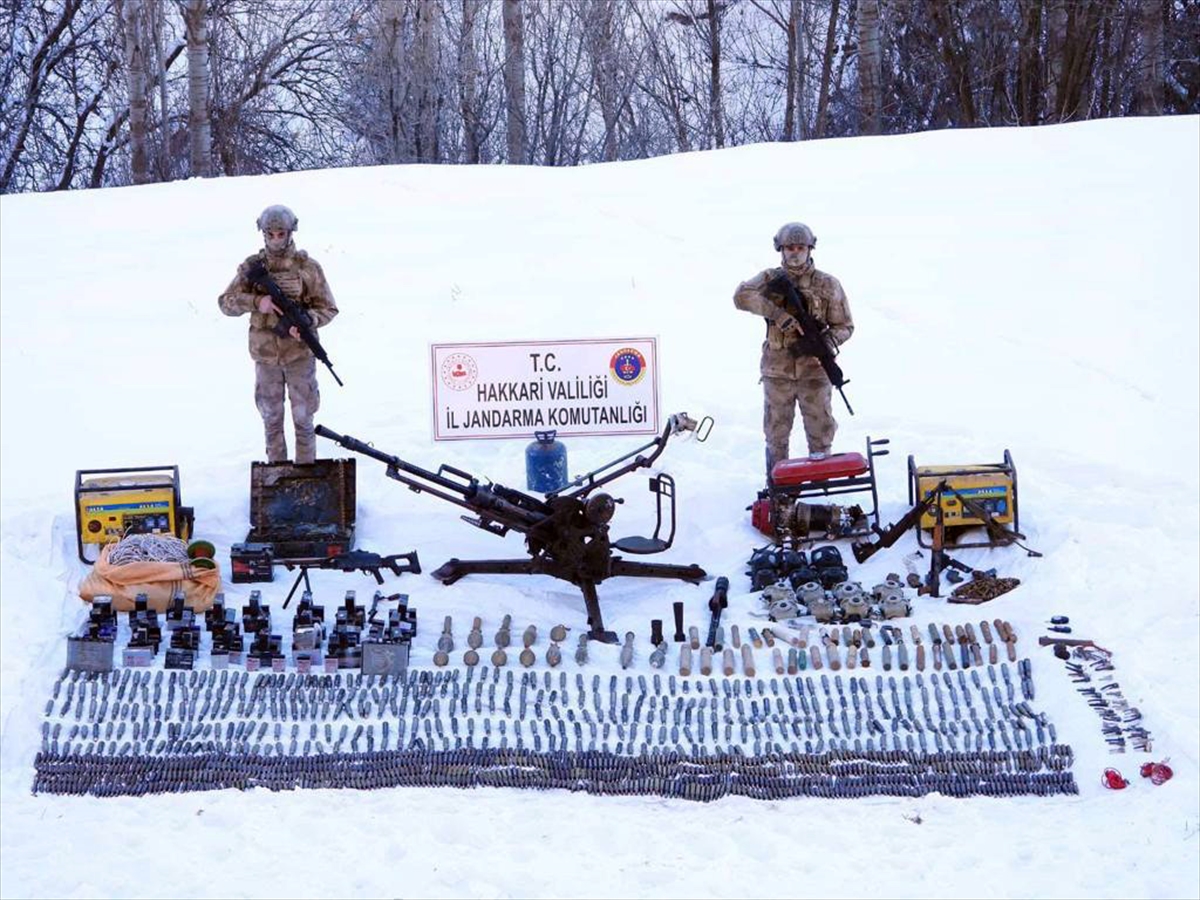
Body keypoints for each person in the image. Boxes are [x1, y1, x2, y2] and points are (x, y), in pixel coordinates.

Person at [734, 221, 854, 482]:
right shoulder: (769, 279)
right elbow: (741, 297)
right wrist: (778, 315)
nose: (795, 252)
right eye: (790, 247)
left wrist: (825, 343)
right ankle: (780, 490)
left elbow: (845, 326)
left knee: (820, 432)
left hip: (815, 371)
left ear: (810, 249)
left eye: (801, 247)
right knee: (776, 433)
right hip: (777, 371)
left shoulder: (828, 284)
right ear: (781, 249)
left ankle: (820, 486)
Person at [218, 205, 338, 464]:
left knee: (304, 419)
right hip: (266, 358)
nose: (275, 239)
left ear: (290, 233)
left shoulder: (308, 268)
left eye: (280, 234)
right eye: (270, 234)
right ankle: (275, 477)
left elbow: (329, 308)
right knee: (271, 420)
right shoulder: (252, 268)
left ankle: (305, 477)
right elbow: (225, 303)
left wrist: (309, 320)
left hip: (299, 355)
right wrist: (255, 302)